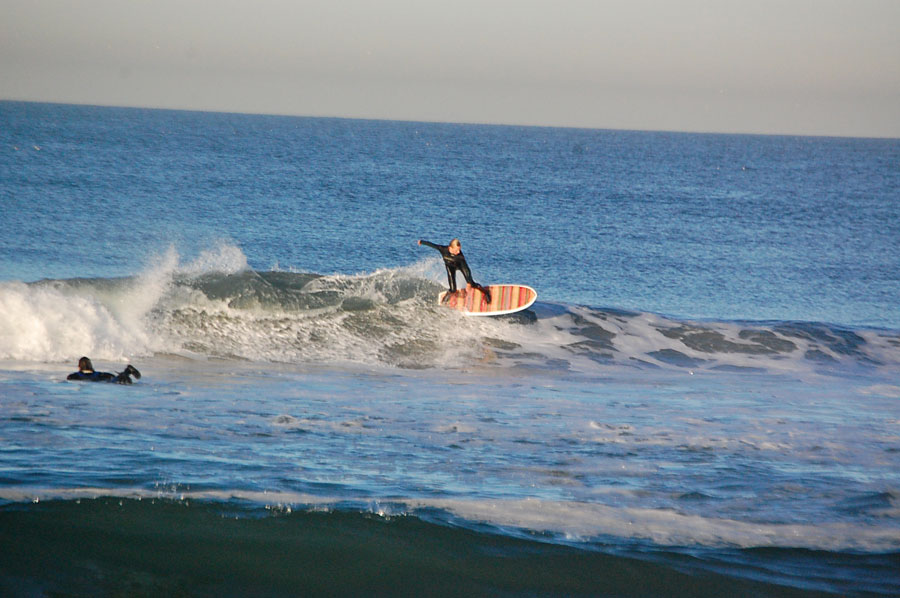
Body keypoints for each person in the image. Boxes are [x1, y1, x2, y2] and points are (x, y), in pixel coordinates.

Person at [418, 238, 491, 302]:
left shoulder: (460, 256)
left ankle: (486, 292)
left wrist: (468, 283)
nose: (459, 252)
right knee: (453, 289)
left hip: (461, 266)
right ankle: (446, 298)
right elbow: (432, 245)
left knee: (472, 284)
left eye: (459, 249)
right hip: (450, 267)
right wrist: (421, 242)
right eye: (457, 250)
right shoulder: (443, 249)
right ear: (450, 248)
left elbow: (466, 269)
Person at [67, 356, 142, 384]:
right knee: (119, 379)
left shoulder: (74, 376)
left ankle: (126, 372)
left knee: (123, 382)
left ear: (79, 367)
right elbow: (111, 376)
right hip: (104, 380)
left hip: (102, 382)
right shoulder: (99, 374)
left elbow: (69, 378)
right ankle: (127, 371)